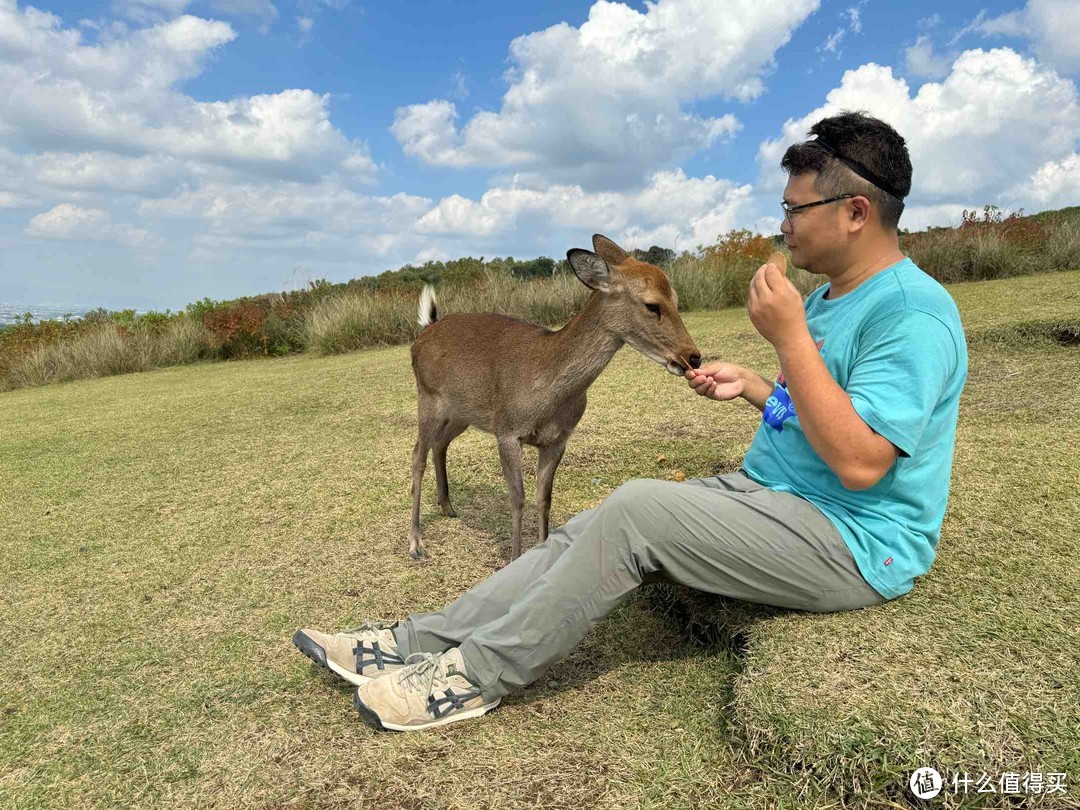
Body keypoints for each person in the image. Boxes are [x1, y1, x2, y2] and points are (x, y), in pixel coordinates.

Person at [292, 111, 968, 733]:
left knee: (638, 510)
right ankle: (413, 642)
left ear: (854, 211)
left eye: (794, 210)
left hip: (854, 542)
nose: (782, 226)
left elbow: (862, 461)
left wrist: (789, 340)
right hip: (776, 498)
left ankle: (472, 678)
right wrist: (760, 387)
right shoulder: (829, 298)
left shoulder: (911, 314)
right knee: (596, 521)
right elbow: (829, 413)